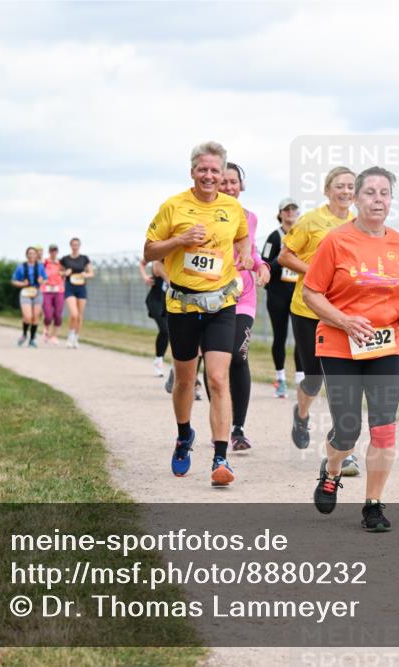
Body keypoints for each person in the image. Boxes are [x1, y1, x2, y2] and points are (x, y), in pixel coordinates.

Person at [303, 166, 399, 532]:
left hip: (385, 345)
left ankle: (374, 505)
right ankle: (332, 469)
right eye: (370, 192)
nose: (378, 199)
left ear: (391, 200)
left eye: (385, 193)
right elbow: (311, 292)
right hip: (340, 345)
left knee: (384, 428)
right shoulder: (336, 241)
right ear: (356, 198)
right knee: (347, 429)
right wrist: (345, 321)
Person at [143, 140, 253, 486]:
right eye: (202, 169)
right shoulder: (173, 206)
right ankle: (183, 435)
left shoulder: (231, 208)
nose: (209, 176)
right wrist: (180, 241)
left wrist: (245, 258)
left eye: (215, 171)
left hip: (221, 303)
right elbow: (148, 251)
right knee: (186, 381)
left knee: (219, 379)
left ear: (223, 174)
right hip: (182, 305)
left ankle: (221, 458)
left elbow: (242, 237)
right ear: (192, 171)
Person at [278, 166, 361, 477]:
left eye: (351, 186)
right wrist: (314, 274)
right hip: (308, 309)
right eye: (339, 186)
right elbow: (285, 256)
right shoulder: (311, 221)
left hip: (343, 315)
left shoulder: (360, 225)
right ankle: (301, 414)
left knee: (342, 381)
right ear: (327, 190)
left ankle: (344, 451)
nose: (345, 191)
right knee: (314, 377)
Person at [207, 161, 269, 451]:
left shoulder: (250, 217)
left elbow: (251, 249)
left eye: (234, 182)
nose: (229, 187)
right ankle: (220, 422)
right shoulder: (206, 215)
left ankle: (238, 428)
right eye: (224, 182)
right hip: (211, 294)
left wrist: (261, 265)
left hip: (242, 295)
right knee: (216, 367)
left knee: (238, 357)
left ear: (241, 185)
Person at [262, 197, 303, 398]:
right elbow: (265, 264)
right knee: (280, 336)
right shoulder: (274, 237)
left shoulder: (304, 236)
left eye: (293, 209)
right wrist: (284, 259)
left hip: (299, 293)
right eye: (286, 210)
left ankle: (300, 380)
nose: (290, 213)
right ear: (280, 214)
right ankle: (280, 378)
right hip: (278, 293)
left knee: (301, 338)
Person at [11, 246, 48, 348]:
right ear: (26, 255)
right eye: (29, 253)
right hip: (26, 292)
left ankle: (32, 339)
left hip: (37, 292)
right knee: (28, 316)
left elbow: (45, 279)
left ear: (36, 255)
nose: (31, 255)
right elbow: (13, 281)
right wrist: (22, 283)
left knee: (36, 316)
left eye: (33, 253)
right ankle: (24, 334)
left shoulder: (40, 266)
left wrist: (42, 281)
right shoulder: (21, 267)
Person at [61, 237, 94, 349]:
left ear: (79, 246)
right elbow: (59, 272)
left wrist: (86, 275)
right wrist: (65, 272)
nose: (75, 246)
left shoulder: (84, 258)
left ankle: (76, 338)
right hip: (70, 287)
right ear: (70, 246)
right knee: (74, 314)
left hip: (81, 288)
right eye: (73, 244)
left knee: (79, 315)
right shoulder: (65, 259)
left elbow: (91, 273)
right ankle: (70, 337)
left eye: (77, 244)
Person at [139, 259, 170, 376]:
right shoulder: (158, 260)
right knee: (164, 329)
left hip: (169, 302)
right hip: (155, 301)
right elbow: (143, 263)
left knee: (169, 332)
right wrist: (145, 277)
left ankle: (160, 360)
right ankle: (158, 361)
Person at [42, 244, 66, 344]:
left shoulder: (61, 263)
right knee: (48, 315)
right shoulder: (45, 262)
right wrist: (44, 280)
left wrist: (63, 276)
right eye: (51, 250)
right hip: (46, 290)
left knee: (58, 314)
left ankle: (54, 336)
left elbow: (64, 274)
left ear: (57, 252)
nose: (53, 252)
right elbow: (40, 273)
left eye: (55, 251)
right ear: (49, 252)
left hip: (58, 290)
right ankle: (46, 329)